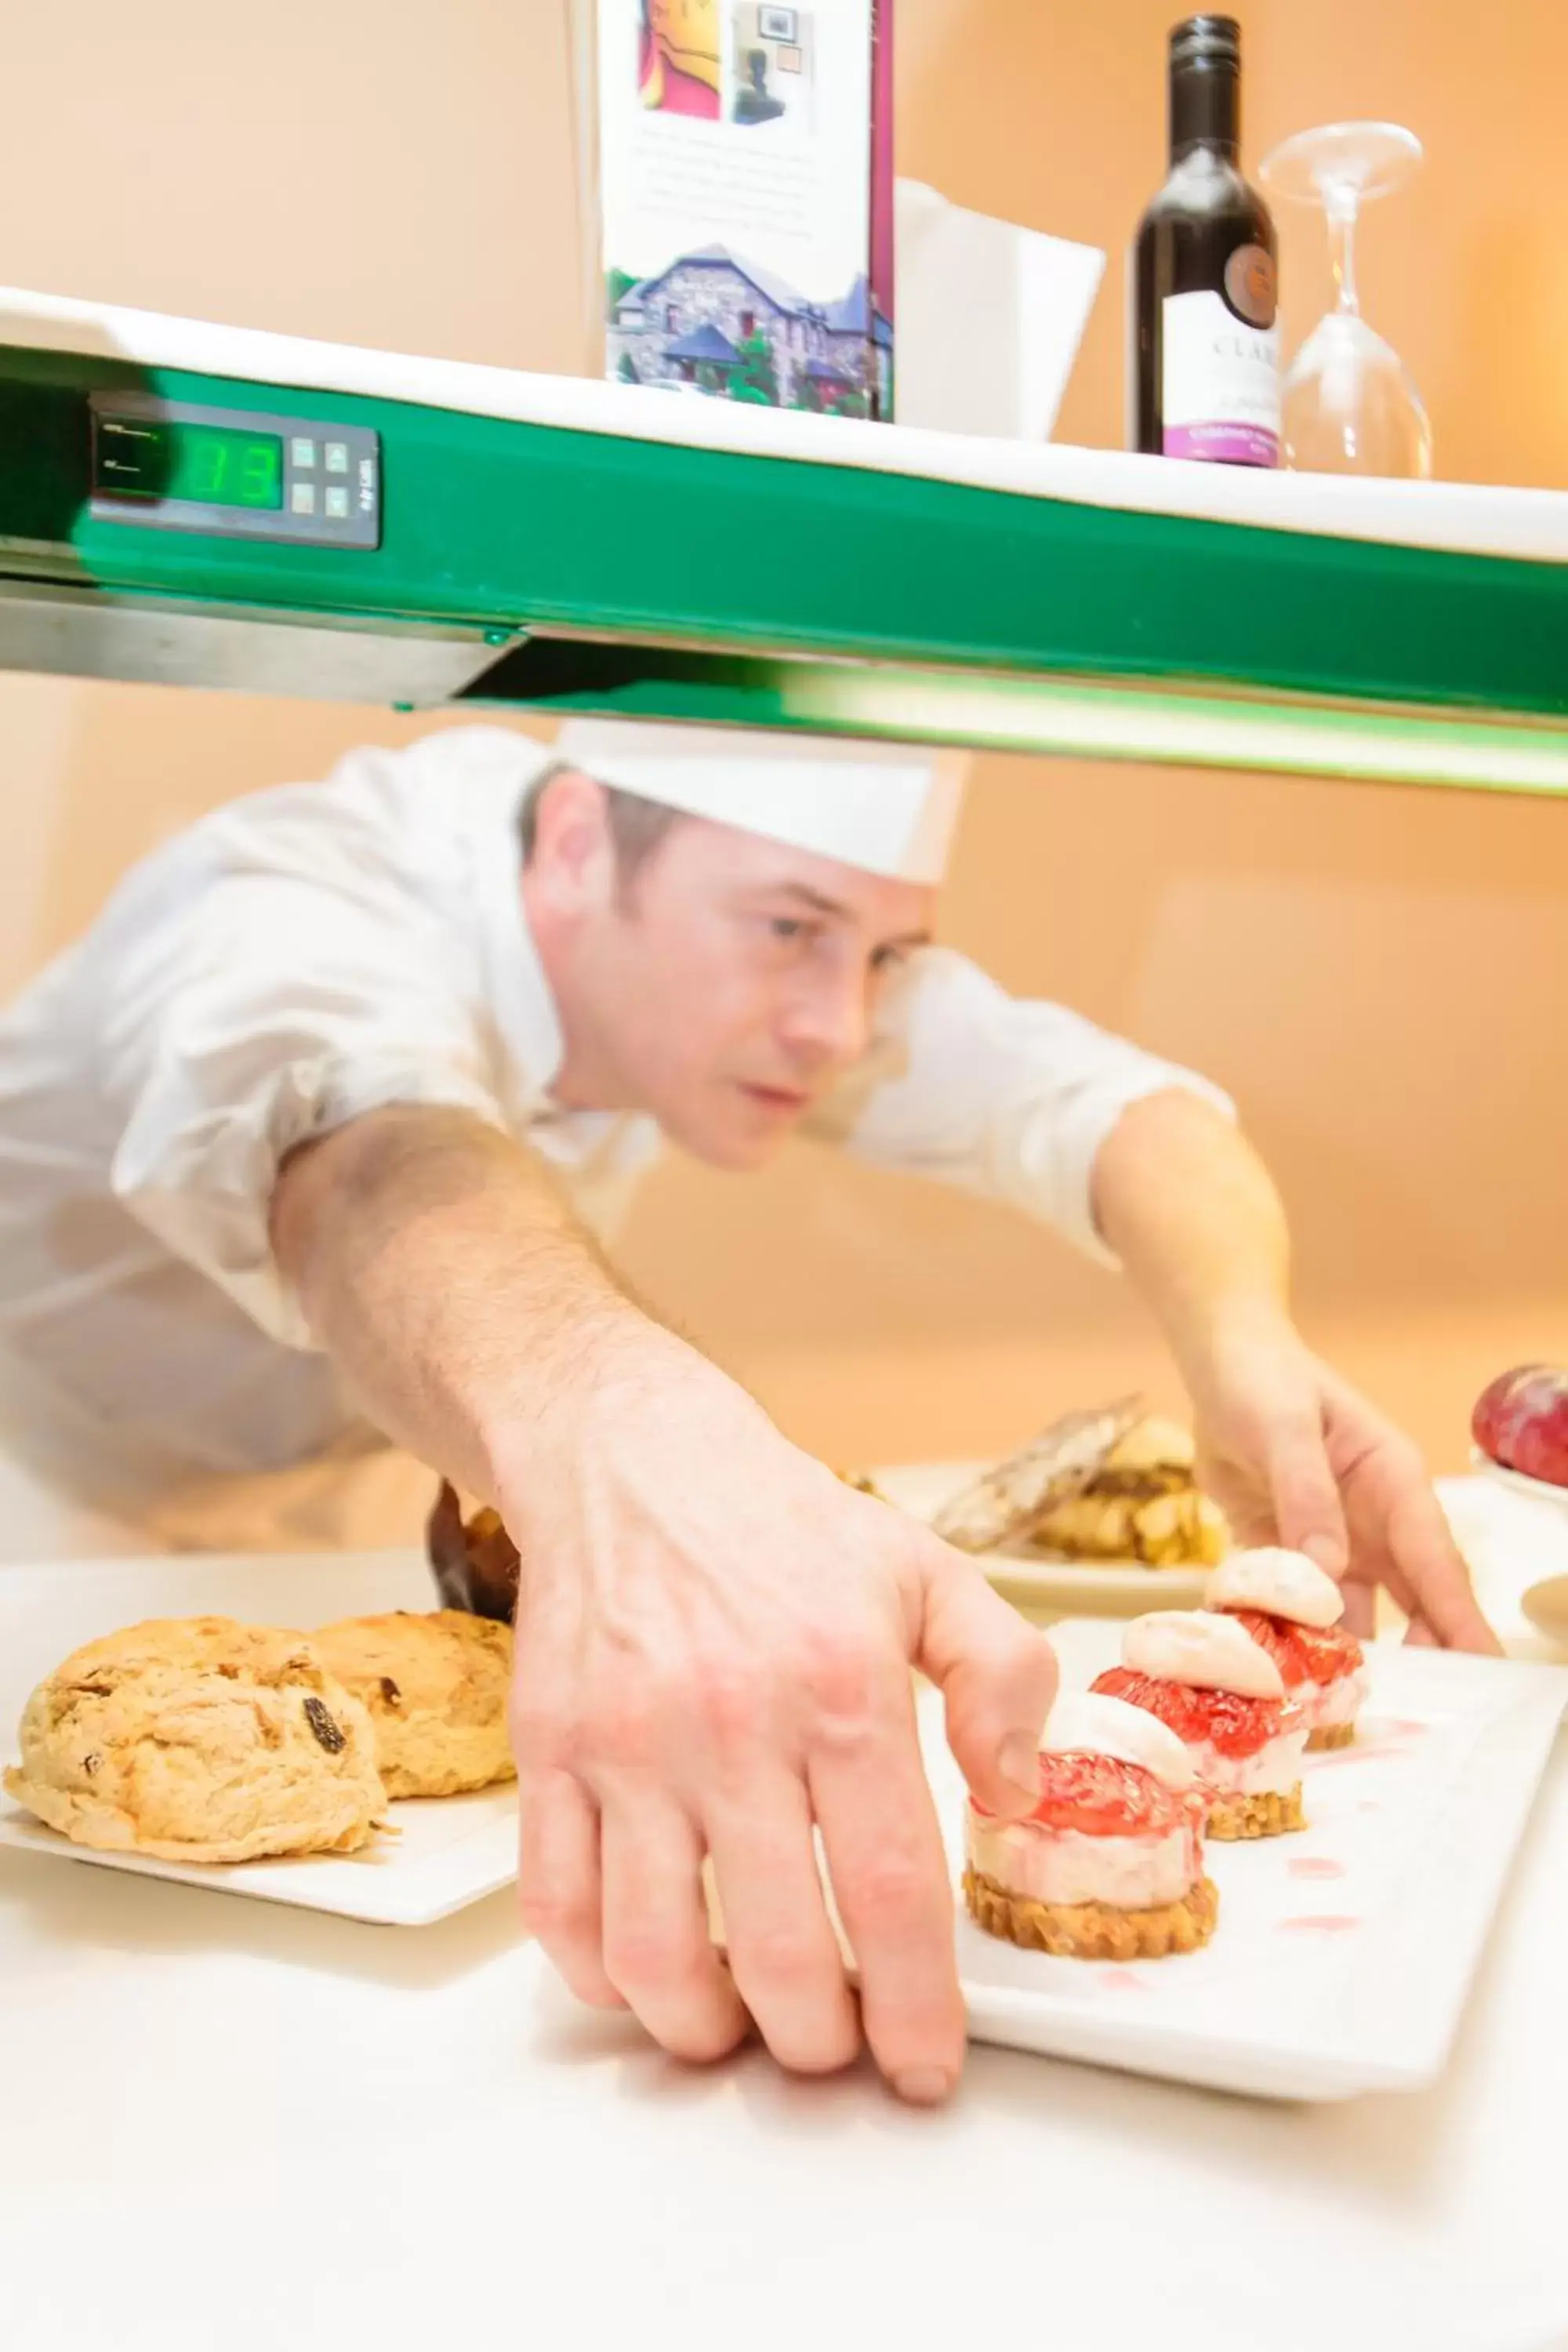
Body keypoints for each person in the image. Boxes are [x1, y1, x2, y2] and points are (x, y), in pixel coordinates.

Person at [0, 720, 1494, 2101]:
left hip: (311, 1525)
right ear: (577, 840)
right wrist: (658, 1451)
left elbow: (1102, 1107)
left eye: (888, 956)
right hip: (32, 1492)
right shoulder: (292, 902)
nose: (841, 1028)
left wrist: (1239, 1332)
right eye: (791, 930)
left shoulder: (751, 957)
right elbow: (367, 1162)